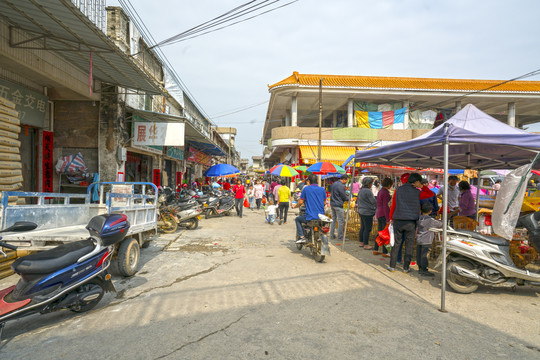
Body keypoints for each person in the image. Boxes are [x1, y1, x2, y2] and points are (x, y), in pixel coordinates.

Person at [388, 172, 422, 273]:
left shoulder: (398, 190)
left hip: (398, 220)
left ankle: (392, 266)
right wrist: (422, 187)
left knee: (396, 243)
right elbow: (428, 196)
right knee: (409, 244)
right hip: (410, 222)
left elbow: (393, 205)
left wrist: (391, 217)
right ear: (416, 182)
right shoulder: (418, 192)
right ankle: (406, 268)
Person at [292, 174, 327, 244]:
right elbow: (325, 203)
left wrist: (295, 206)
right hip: (321, 216)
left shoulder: (306, 189)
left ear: (309, 181)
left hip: (310, 216)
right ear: (317, 181)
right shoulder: (322, 189)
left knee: (297, 219)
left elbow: (301, 201)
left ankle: (302, 237)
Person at [416, 202, 442, 277]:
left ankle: (420, 268)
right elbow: (440, 224)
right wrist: (440, 220)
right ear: (430, 211)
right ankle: (424, 270)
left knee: (419, 254)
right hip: (427, 240)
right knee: (425, 255)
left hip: (419, 239)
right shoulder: (430, 220)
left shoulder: (419, 218)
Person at [374, 177, 393, 257]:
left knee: (380, 232)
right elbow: (385, 206)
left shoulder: (381, 191)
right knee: (385, 233)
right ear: (389, 185)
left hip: (379, 213)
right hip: (383, 214)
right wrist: (388, 218)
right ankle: (385, 252)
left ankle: (376, 248)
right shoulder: (385, 192)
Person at [357, 177, 377, 250]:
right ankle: (366, 244)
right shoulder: (368, 191)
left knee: (363, 227)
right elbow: (373, 201)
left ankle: (361, 242)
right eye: (371, 183)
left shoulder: (361, 190)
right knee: (367, 228)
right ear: (368, 184)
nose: (371, 185)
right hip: (367, 212)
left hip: (361, 211)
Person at [330, 174, 349, 241]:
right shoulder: (341, 185)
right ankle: (340, 236)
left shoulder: (335, 184)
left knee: (333, 220)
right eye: (347, 180)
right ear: (344, 179)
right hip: (338, 204)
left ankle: (331, 234)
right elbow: (343, 196)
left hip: (332, 204)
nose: (346, 182)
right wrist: (348, 199)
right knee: (340, 221)